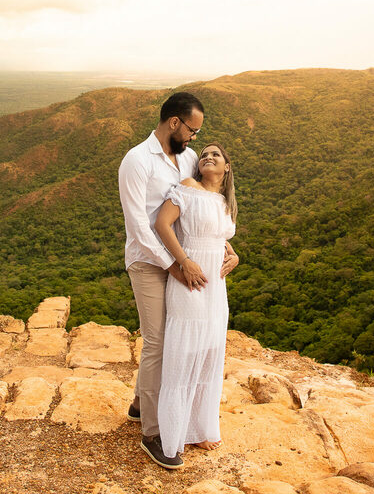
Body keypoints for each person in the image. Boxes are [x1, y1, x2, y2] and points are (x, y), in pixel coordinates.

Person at [118, 93, 238, 470]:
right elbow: (140, 226)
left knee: (172, 339)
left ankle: (141, 403)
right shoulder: (136, 161)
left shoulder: (187, 159)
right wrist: (178, 264)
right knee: (158, 341)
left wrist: (227, 249)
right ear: (174, 123)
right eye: (192, 130)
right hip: (148, 261)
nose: (194, 139)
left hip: (180, 262)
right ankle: (153, 433)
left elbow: (203, 209)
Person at [154, 142, 237, 463]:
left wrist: (235, 256)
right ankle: (173, 434)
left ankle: (200, 429)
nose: (208, 157)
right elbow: (162, 224)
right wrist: (183, 261)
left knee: (209, 354)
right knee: (184, 352)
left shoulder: (224, 203)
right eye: (203, 154)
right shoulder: (188, 187)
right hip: (190, 279)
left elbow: (221, 240)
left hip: (216, 288)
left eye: (215, 154)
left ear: (226, 167)